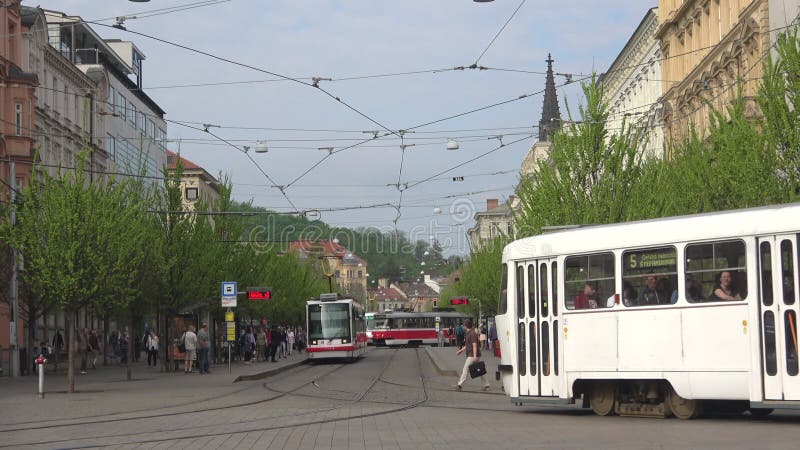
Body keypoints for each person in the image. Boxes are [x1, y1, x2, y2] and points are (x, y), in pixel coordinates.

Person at [454, 319, 490, 391]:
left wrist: (474, 355)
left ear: (465, 326)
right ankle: (486, 385)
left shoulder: (472, 333)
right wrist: (461, 350)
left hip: (472, 355)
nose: (462, 327)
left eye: (463, 325)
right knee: (479, 370)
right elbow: (468, 345)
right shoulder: (468, 333)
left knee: (465, 369)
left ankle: (459, 385)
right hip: (473, 354)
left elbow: (474, 345)